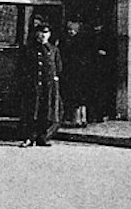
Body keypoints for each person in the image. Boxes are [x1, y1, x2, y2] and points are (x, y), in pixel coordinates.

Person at [18, 17, 62, 147]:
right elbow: (23, 67)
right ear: (36, 34)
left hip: (48, 86)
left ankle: (43, 137)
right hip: (33, 85)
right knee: (32, 111)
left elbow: (58, 68)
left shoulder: (53, 50)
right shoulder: (30, 49)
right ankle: (29, 137)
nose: (43, 35)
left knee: (46, 111)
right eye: (41, 33)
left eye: (46, 33)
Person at [60, 19, 95, 128]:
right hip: (78, 73)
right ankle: (81, 119)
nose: (70, 32)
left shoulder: (73, 42)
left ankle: (79, 119)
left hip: (76, 73)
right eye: (69, 30)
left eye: (72, 30)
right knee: (79, 97)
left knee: (76, 97)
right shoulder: (75, 41)